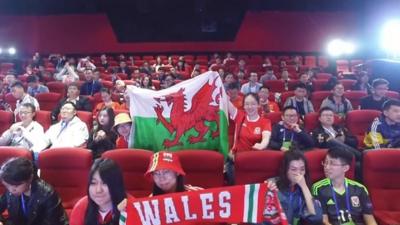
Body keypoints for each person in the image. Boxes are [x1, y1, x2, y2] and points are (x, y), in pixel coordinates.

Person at [312, 147, 377, 225]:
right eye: (325, 162)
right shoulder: (318, 188)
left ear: (345, 168)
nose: (327, 167)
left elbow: (370, 219)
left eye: (332, 164)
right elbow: (324, 221)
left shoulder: (360, 189)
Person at [0, 157, 68, 225]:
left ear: (30, 178)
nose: (11, 190)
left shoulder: (47, 194)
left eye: (16, 186)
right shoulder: (11, 190)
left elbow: (57, 222)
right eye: (7, 186)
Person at [262, 150, 322, 225]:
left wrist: (304, 187)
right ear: (285, 170)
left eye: (302, 169)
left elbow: (316, 218)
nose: (299, 173)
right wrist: (268, 193)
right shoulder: (272, 183)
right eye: (294, 169)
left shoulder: (304, 189)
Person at [70, 158, 128, 225]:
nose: (98, 190)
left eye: (105, 183)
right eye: (93, 183)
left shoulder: (132, 206)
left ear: (116, 184)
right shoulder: (81, 207)